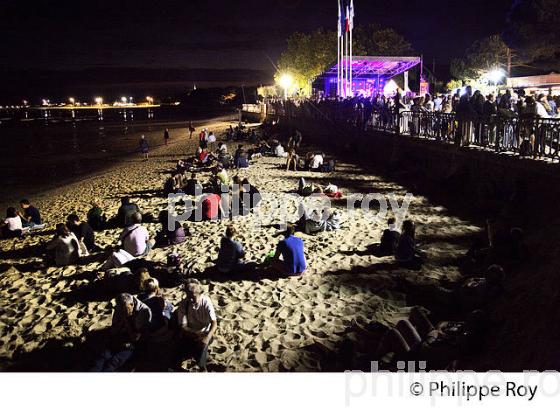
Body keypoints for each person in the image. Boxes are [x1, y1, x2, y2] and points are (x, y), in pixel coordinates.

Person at [90, 293, 152, 372]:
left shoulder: (144, 312)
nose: (122, 311)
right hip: (120, 337)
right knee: (102, 357)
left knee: (113, 362)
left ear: (132, 304)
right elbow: (114, 330)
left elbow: (135, 338)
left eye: (125, 309)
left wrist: (126, 319)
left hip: (134, 344)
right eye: (120, 309)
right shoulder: (120, 307)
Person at [175, 279, 218, 371]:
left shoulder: (206, 302)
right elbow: (183, 326)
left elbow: (214, 323)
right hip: (190, 333)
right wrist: (194, 333)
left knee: (202, 344)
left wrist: (207, 337)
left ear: (200, 294)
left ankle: (201, 366)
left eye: (193, 296)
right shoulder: (183, 304)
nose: (190, 299)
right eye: (188, 296)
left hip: (204, 332)